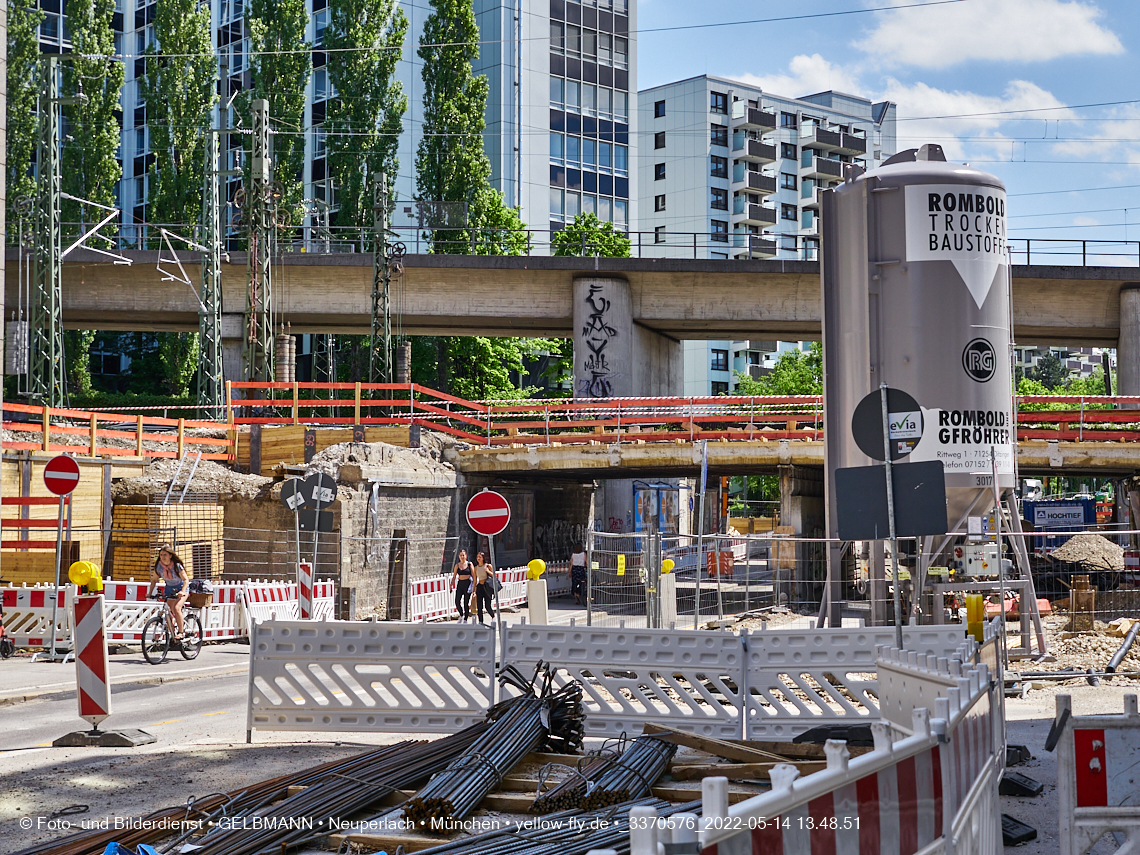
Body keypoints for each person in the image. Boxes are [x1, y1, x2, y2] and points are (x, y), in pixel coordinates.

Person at [147, 544, 190, 639]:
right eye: (161, 555)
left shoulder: (176, 566)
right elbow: (154, 580)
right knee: (167, 612)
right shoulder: (159, 566)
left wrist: (182, 592)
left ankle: (181, 632)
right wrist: (150, 593)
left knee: (177, 608)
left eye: (165, 555)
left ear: (170, 555)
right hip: (169, 588)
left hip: (181, 587)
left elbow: (186, 580)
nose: (162, 557)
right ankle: (173, 636)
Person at [473, 551, 496, 624]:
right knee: (479, 606)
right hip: (480, 586)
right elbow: (475, 580)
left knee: (487, 605)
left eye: (480, 557)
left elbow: (494, 576)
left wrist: (488, 571)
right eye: (477, 557)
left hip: (487, 587)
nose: (478, 558)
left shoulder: (488, 566)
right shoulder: (476, 568)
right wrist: (474, 591)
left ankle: (493, 616)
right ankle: (480, 621)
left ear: (483, 558)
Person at [451, 549, 473, 622]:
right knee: (457, 601)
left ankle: (466, 618)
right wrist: (451, 585)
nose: (462, 557)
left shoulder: (469, 564)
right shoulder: (457, 565)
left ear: (466, 556)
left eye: (463, 555)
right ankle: (461, 614)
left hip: (467, 583)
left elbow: (474, 576)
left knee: (466, 602)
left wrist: (474, 586)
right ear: (459, 556)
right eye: (461, 555)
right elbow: (454, 576)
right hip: (460, 584)